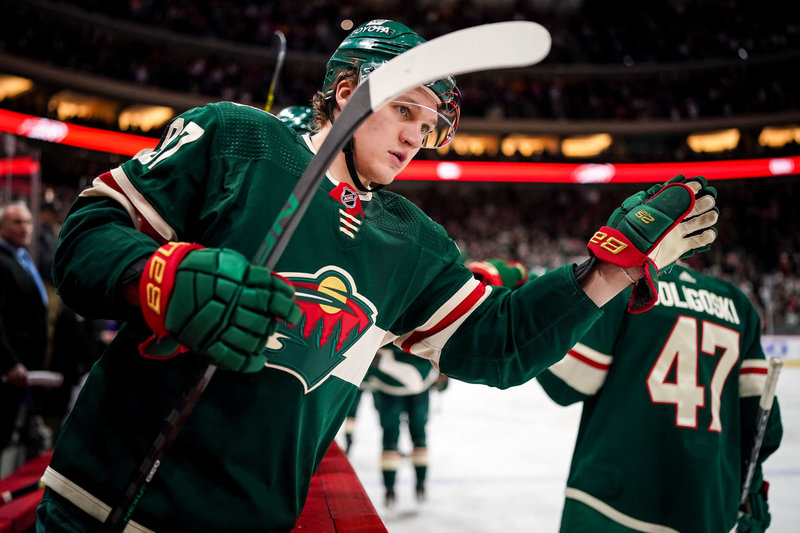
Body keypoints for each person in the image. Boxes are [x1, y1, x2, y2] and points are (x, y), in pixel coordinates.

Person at [37, 19, 718, 532]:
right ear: (346, 94)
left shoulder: (413, 242)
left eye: (429, 124)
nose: (416, 136)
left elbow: (501, 343)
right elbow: (87, 235)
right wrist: (156, 275)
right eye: (404, 110)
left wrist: (606, 273)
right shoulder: (236, 138)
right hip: (100, 501)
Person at [536, 260, 783, 533]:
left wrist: (534, 310)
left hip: (609, 503)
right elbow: (764, 428)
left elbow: (570, 380)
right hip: (705, 509)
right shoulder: (737, 305)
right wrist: (752, 490)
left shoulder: (626, 281)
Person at [362, 344, 448, 508]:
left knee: (390, 437)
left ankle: (389, 490)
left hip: (386, 382)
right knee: (419, 434)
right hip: (419, 379)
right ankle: (420, 485)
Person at [0, 202, 49, 463]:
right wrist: (9, 362)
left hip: (24, 367)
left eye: (28, 222)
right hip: (9, 370)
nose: (25, 228)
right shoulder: (3, 260)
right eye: (17, 222)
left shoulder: (22, 258)